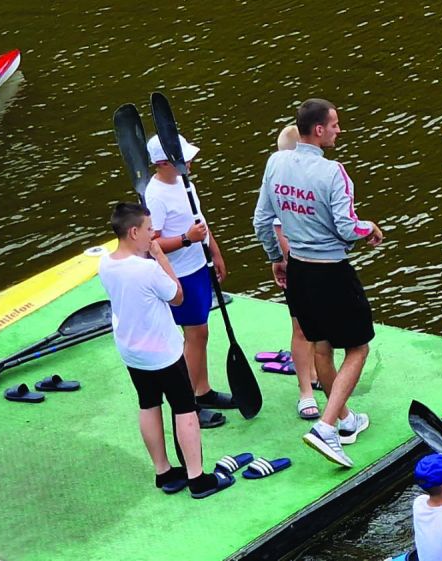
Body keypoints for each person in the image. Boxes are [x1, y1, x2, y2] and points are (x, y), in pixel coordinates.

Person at [253, 98, 383, 468]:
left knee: (321, 349)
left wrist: (276, 258)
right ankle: (326, 428)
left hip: (299, 271)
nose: (340, 131)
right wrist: (369, 228)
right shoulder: (333, 173)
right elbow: (346, 227)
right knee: (358, 349)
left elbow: (262, 219)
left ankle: (345, 421)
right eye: (336, 125)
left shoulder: (276, 162)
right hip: (331, 272)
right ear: (320, 130)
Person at [98, 202, 234, 499]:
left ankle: (164, 472)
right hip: (162, 352)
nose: (153, 236)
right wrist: (160, 256)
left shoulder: (105, 264)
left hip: (131, 351)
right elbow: (177, 296)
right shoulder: (147, 269)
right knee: (185, 409)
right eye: (149, 230)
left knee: (148, 404)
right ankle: (198, 478)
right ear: (134, 232)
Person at [143, 133, 235, 429]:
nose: (190, 160)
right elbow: (150, 244)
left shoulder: (186, 183)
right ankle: (188, 407)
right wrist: (186, 240)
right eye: (183, 157)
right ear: (162, 163)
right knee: (195, 336)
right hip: (178, 275)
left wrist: (215, 253)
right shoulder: (155, 195)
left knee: (201, 333)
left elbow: (200, 222)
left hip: (197, 267)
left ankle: (203, 391)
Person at [266, 124, 321, 421]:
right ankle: (306, 391)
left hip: (315, 264)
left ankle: (314, 374)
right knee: (301, 329)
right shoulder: (281, 185)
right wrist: (288, 262)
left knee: (316, 327)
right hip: (300, 267)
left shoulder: (309, 181)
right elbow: (277, 231)